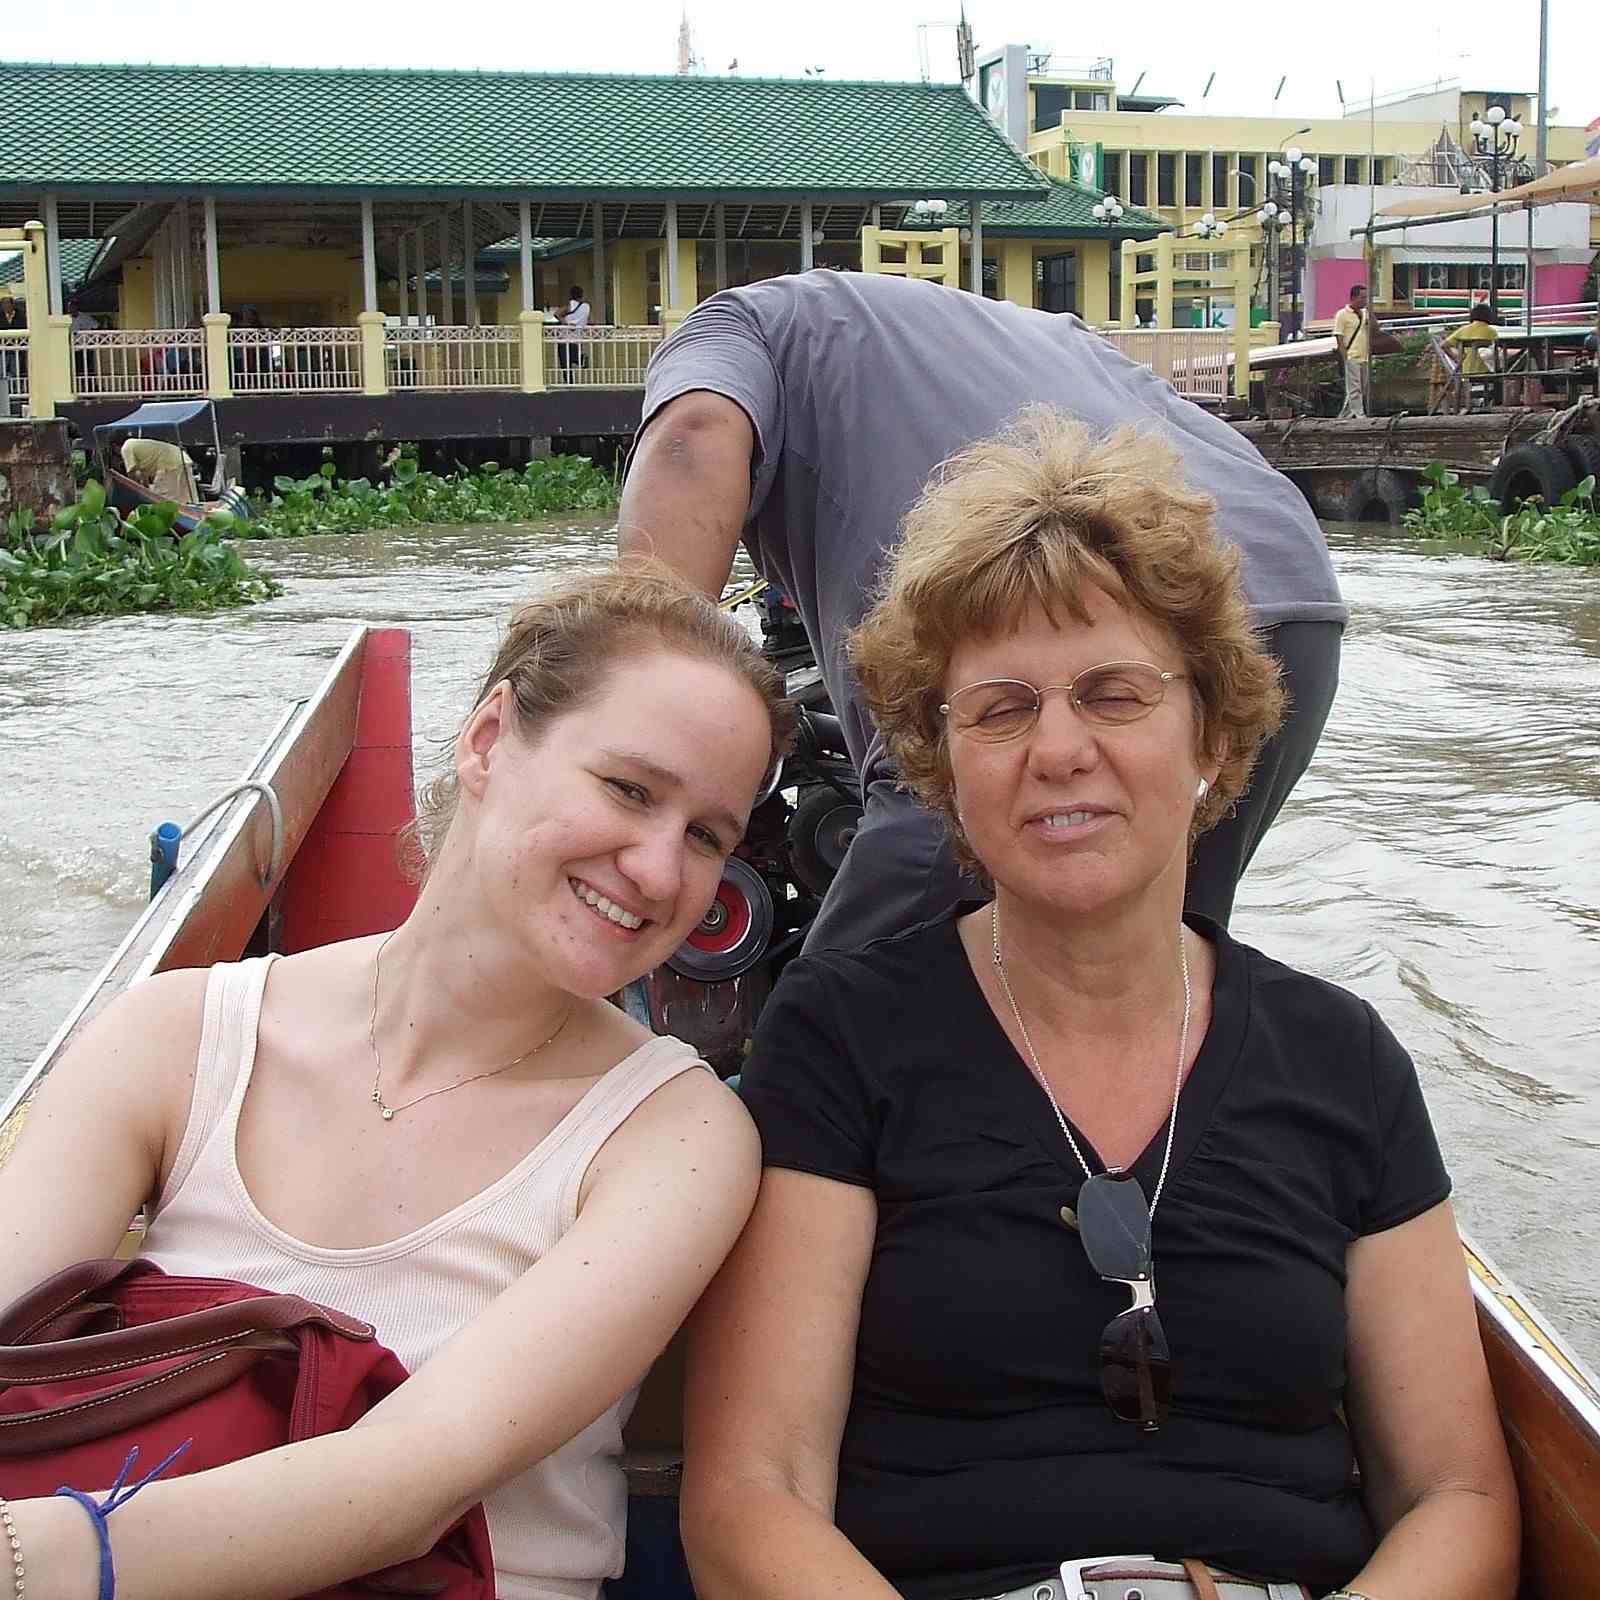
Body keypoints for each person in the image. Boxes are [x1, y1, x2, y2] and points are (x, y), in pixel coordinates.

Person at [681, 411, 1519, 1600]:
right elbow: (749, 1498)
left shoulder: (1344, 1061)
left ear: (1209, 732)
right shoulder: (839, 1037)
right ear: (944, 763)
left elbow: (1458, 1498)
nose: (1058, 748)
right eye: (1001, 707)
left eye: (1114, 695)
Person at [0, 567, 794, 1600]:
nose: (656, 870)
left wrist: (31, 1558)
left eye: (706, 837)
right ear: (488, 740)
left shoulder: (676, 1136)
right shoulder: (174, 1037)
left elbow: (405, 1483)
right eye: (629, 790)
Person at [619, 270, 1346, 947]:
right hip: (1291, 586)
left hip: (1130, 602)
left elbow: (692, 436)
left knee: (859, 989)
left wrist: (627, 702)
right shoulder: (975, 326)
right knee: (1156, 961)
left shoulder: (730, 324)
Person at [1442, 305, 1500, 410]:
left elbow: (1444, 345)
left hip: (1466, 371)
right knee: (1504, 375)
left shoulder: (1463, 330)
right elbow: (1496, 349)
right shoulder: (1491, 331)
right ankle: (1495, 403)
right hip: (1486, 371)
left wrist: (1456, 358)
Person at [120, 434, 200, 504]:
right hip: (182, 458)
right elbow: (144, 475)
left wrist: (136, 492)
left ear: (115, 446)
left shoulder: (126, 447)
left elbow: (131, 473)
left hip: (168, 464)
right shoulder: (138, 446)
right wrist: (146, 489)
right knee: (186, 499)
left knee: (162, 500)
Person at [1332, 283, 1370, 418]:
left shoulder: (1365, 314)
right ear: (1353, 298)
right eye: (1362, 297)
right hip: (1352, 355)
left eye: (1366, 297)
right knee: (1355, 388)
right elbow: (1339, 337)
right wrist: (1345, 357)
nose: (1364, 300)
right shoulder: (1342, 314)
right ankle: (1360, 415)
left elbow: (1374, 329)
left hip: (1364, 356)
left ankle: (1344, 416)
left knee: (1362, 387)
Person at [558, 283, 592, 380]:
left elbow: (557, 313)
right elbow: (590, 320)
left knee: (565, 364)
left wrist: (566, 323)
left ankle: (569, 382)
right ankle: (581, 359)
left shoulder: (570, 304)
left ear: (571, 295)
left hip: (564, 338)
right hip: (577, 338)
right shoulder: (586, 307)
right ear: (582, 295)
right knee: (573, 356)